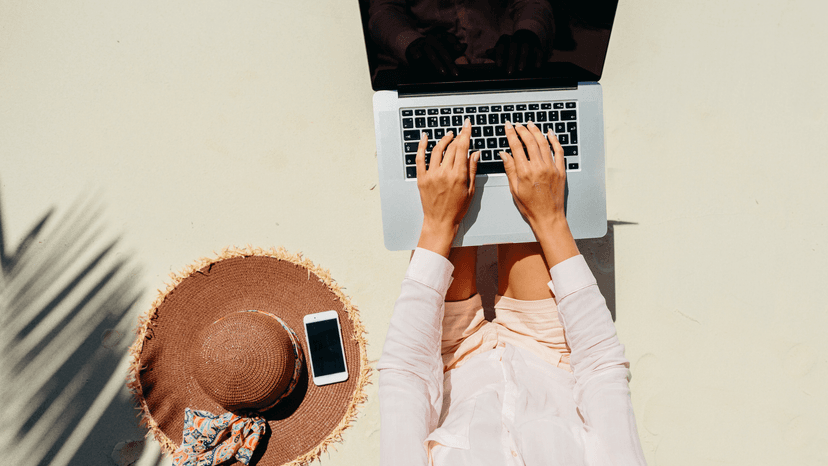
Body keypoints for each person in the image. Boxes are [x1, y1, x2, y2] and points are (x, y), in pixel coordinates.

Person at [378, 118, 647, 465]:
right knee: (523, 136)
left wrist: (437, 226)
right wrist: (551, 221)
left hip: (449, 357)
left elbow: (406, 377)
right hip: (546, 348)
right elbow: (601, 370)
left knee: (455, 163)